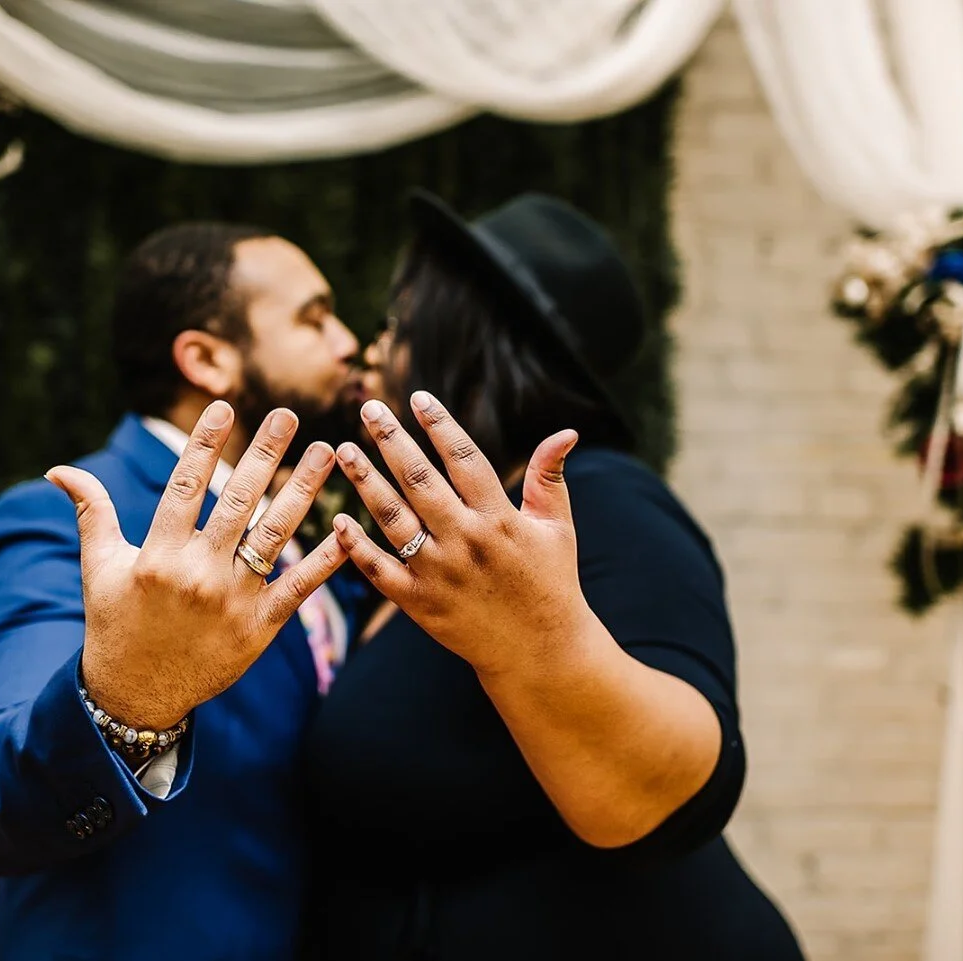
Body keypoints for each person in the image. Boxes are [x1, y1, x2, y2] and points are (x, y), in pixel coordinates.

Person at [302, 192, 806, 960]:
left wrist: (532, 645)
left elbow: (676, 789)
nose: (373, 349)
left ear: (464, 339)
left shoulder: (611, 503)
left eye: (400, 320)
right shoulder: (455, 541)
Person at [0, 223, 367, 960]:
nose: (349, 341)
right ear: (206, 358)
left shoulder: (308, 532)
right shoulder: (62, 521)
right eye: (314, 317)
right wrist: (129, 697)